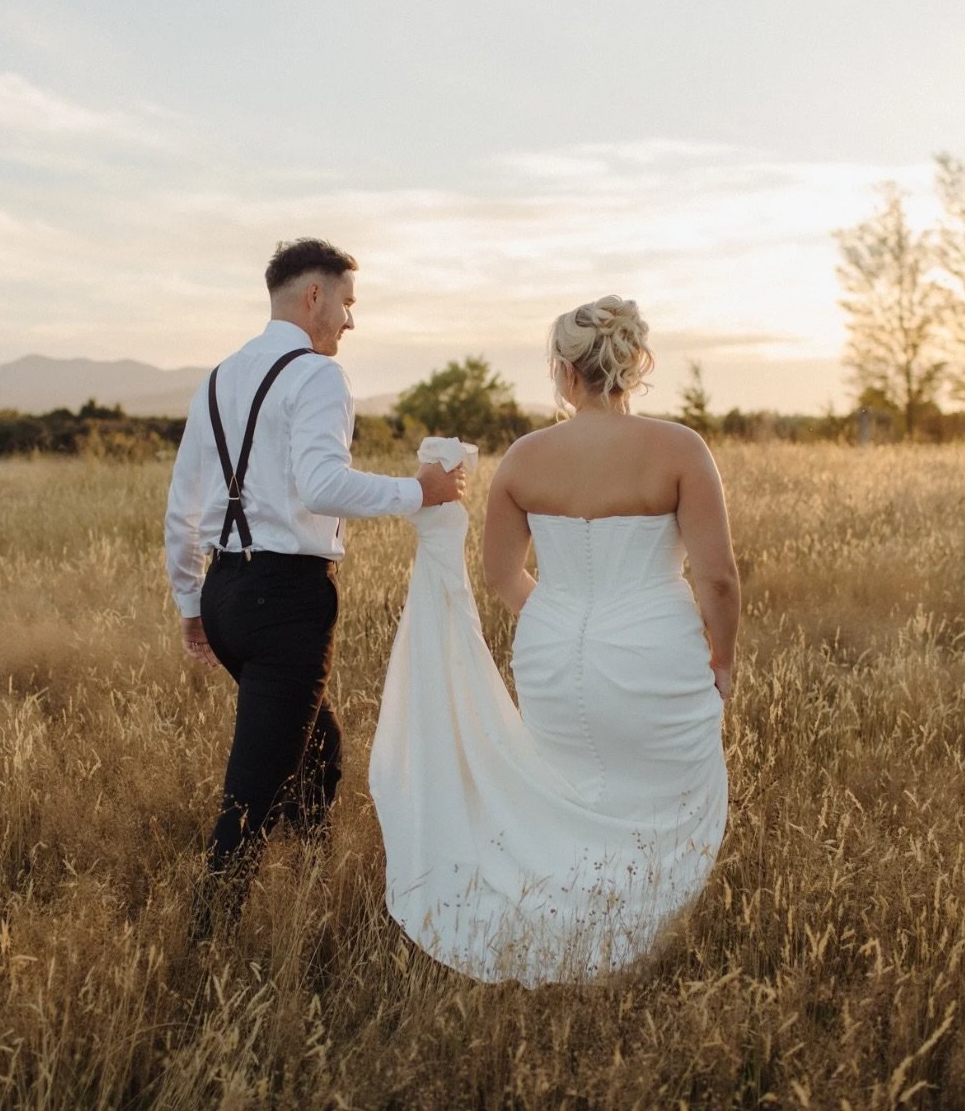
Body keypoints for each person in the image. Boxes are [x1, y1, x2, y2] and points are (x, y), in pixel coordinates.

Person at [368, 295, 738, 984]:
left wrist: (566, 620)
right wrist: (722, 659)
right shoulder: (681, 449)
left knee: (570, 788)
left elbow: (503, 576)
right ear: (631, 366)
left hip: (550, 652)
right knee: (662, 792)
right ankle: (635, 942)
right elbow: (717, 580)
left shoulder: (525, 458)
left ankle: (555, 908)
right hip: (655, 651)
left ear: (564, 373)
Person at [165, 238, 465, 911]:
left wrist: (193, 600)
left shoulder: (217, 377)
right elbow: (324, 486)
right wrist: (422, 491)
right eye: (347, 304)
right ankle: (206, 940)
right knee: (252, 792)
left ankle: (310, 892)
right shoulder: (318, 376)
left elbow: (181, 504)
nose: (350, 322)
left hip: (225, 592)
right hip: (286, 601)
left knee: (318, 747)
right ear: (314, 298)